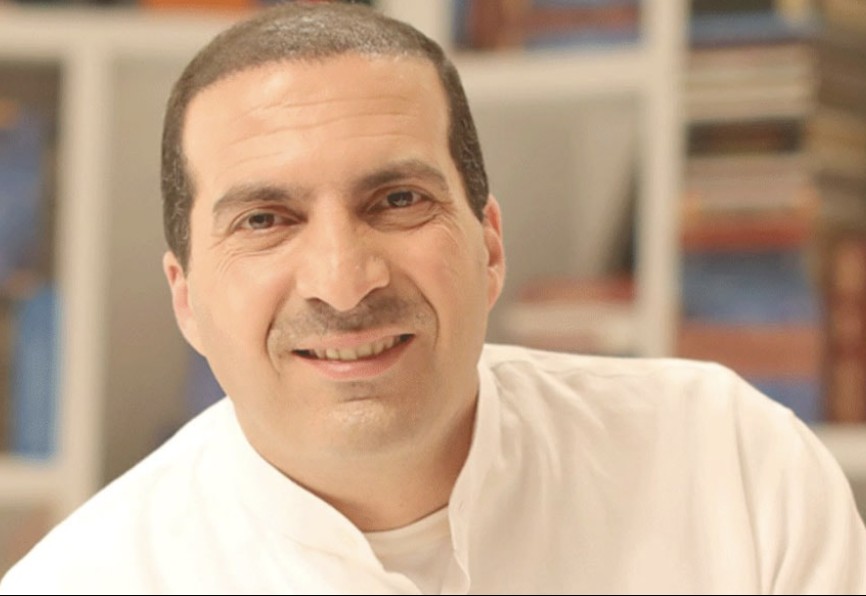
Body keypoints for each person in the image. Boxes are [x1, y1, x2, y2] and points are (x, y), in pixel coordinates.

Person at [2, 2, 865, 593]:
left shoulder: (731, 470)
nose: (344, 280)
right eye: (266, 220)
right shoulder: (81, 583)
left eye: (398, 200)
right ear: (186, 298)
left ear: (489, 244)